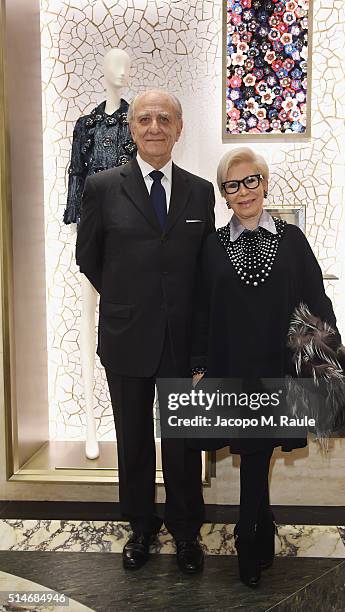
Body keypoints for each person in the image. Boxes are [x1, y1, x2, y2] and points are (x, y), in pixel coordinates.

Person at [76, 89, 215, 574]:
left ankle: (186, 532)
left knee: (183, 444)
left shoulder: (200, 191)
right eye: (144, 119)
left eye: (164, 119)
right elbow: (87, 258)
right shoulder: (100, 186)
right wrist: (125, 299)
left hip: (183, 343)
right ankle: (140, 527)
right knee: (132, 440)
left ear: (180, 128)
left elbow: (204, 268)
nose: (154, 127)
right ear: (132, 129)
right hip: (126, 337)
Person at [191, 147, 340, 587]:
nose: (243, 191)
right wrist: (199, 364)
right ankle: (254, 528)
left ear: (265, 182)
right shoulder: (213, 245)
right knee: (255, 448)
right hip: (232, 365)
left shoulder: (293, 239)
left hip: (280, 366)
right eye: (232, 185)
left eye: (250, 180)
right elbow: (200, 310)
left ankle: (251, 527)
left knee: (258, 448)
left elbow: (316, 299)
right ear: (224, 195)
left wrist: (328, 354)